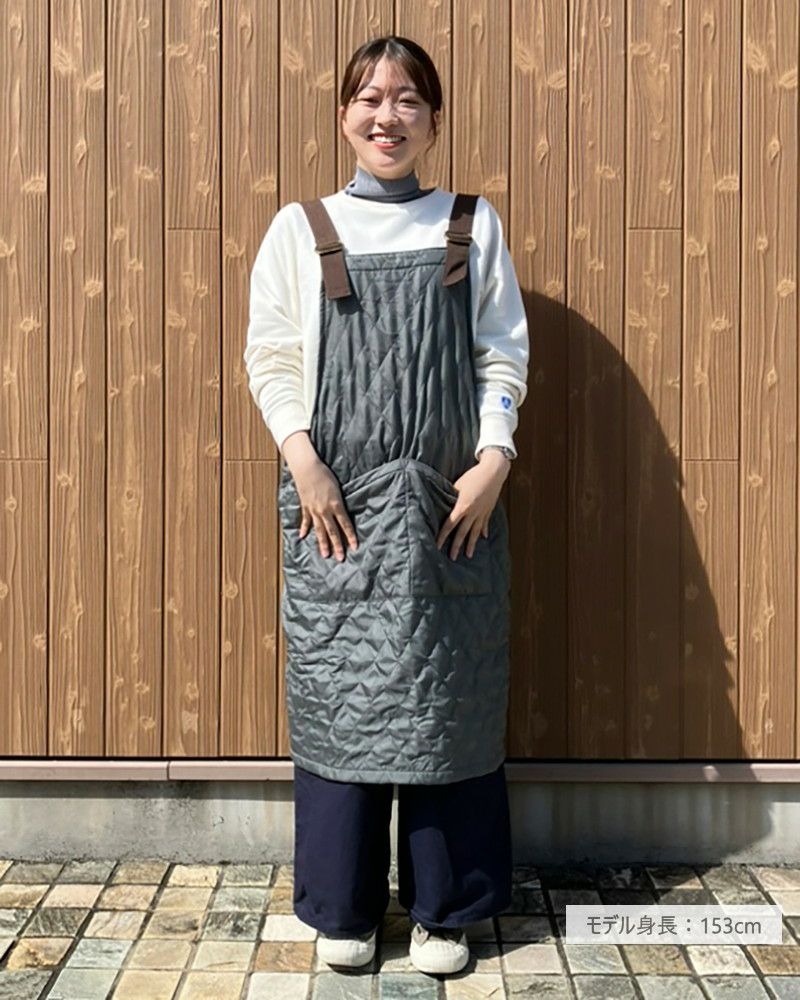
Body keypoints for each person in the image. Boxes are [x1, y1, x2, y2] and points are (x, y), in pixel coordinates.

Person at [243, 35, 529, 976]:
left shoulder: (471, 224)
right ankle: (346, 906)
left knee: (450, 698)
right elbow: (272, 357)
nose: (387, 116)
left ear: (433, 121)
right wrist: (304, 461)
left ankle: (446, 912)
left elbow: (501, 353)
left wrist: (494, 459)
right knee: (344, 696)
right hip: (336, 507)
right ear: (343, 116)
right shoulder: (301, 229)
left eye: (407, 99)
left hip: (452, 507)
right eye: (369, 98)